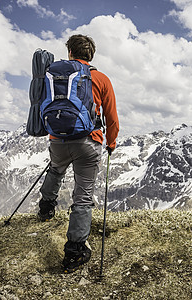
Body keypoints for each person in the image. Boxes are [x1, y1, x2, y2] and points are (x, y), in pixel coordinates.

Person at [37, 34, 119, 273]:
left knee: (55, 170)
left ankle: (46, 208)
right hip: (88, 143)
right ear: (91, 55)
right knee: (83, 196)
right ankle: (75, 251)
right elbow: (111, 118)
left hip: (58, 140)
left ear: (70, 53)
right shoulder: (101, 78)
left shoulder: (54, 75)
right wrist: (111, 143)